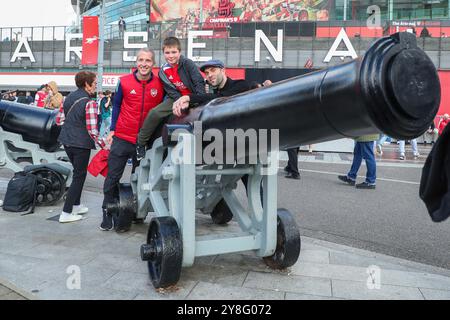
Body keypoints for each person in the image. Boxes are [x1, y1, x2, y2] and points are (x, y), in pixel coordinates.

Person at [101, 47, 164, 232]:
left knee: (142, 178)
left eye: (148, 61)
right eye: (141, 60)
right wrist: (112, 129)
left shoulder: (160, 84)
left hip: (145, 141)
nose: (144, 64)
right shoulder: (124, 82)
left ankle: (136, 211)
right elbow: (118, 105)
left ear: (153, 64)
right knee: (113, 177)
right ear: (136, 62)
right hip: (122, 137)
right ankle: (107, 210)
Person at [136, 37, 206, 160]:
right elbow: (170, 90)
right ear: (163, 53)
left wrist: (194, 100)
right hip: (175, 98)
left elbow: (199, 82)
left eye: (174, 52)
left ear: (179, 52)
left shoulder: (187, 64)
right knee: (154, 113)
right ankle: (141, 143)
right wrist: (180, 101)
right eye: (167, 52)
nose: (171, 55)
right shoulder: (163, 70)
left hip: (194, 96)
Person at [57, 71, 107, 223]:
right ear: (87, 84)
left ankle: (77, 205)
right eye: (95, 82)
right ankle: (66, 213)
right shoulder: (89, 102)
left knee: (78, 173)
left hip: (66, 141)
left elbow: (59, 120)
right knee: (79, 176)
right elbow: (92, 130)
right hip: (80, 144)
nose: (96, 85)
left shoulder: (67, 98)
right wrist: (104, 144)